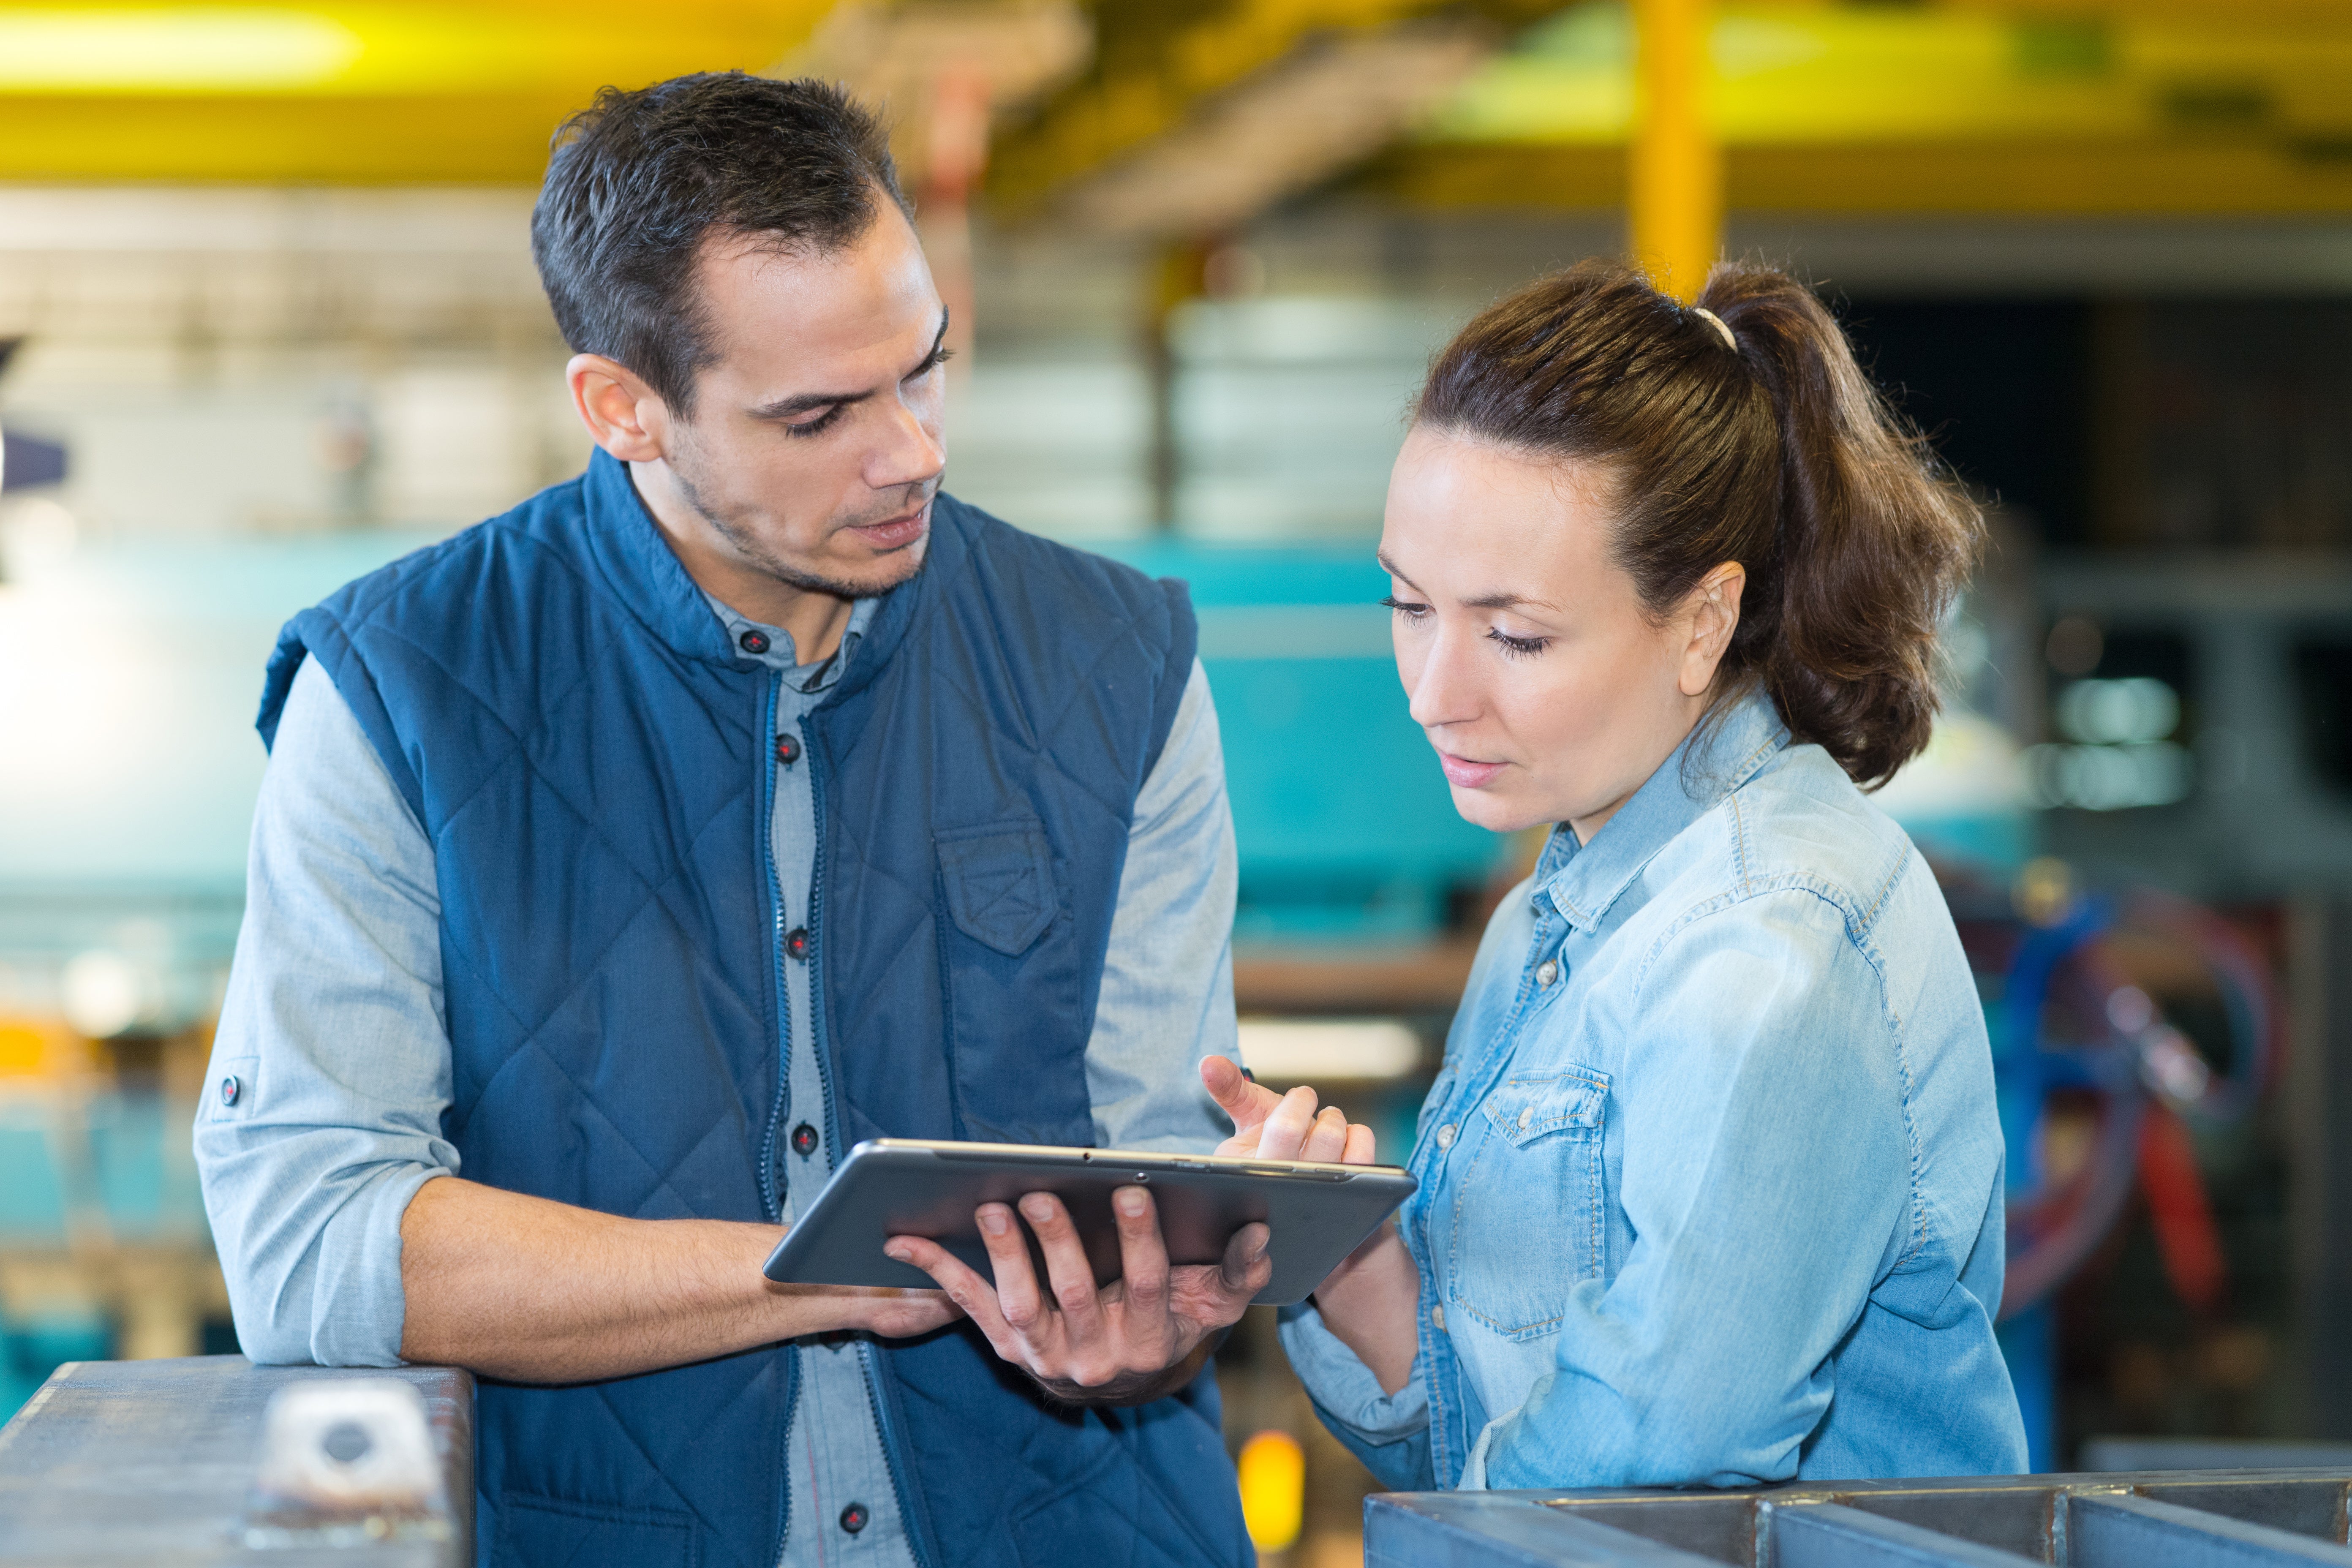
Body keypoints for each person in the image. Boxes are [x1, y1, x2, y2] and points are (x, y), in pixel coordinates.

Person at [194, 74, 1264, 1568]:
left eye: (924, 370)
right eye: (818, 414)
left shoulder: (1117, 667)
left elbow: (1150, 1175)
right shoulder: (401, 694)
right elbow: (312, 1247)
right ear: (623, 407)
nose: (910, 454)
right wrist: (823, 1272)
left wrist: (1152, 1320)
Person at [1202, 259, 2029, 1491]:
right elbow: (1484, 1437)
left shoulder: (1770, 949)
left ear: (1703, 623)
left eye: (1516, 635)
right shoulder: (1559, 902)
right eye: (1408, 605)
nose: (1434, 694)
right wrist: (1349, 1260)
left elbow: (1647, 1462)